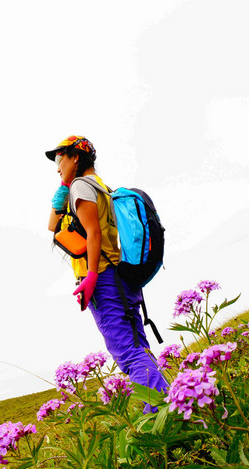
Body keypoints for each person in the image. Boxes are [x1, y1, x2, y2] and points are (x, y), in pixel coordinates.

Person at [45, 135, 169, 411]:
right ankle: (173, 404)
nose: (56, 166)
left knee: (126, 353)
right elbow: (53, 225)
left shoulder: (81, 186)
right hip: (120, 277)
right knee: (138, 345)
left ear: (75, 157)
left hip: (103, 278)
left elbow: (93, 233)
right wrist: (62, 193)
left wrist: (90, 276)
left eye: (59, 158)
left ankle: (168, 413)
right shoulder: (101, 187)